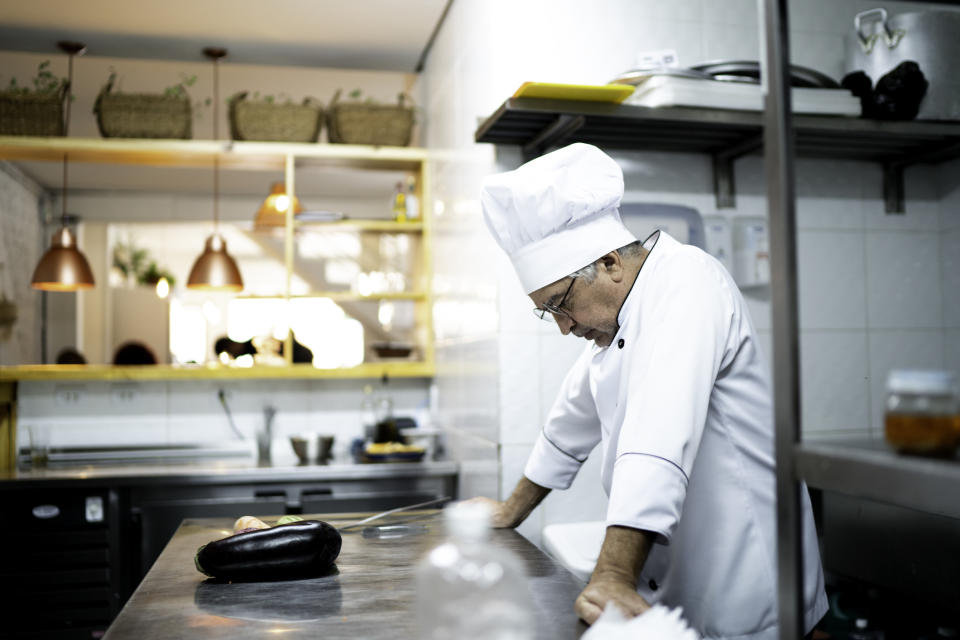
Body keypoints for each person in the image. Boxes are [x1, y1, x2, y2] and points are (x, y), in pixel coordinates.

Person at [471, 143, 827, 639]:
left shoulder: (688, 280)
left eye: (561, 304)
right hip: (686, 577)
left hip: (750, 577)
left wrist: (614, 574)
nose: (564, 327)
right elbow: (571, 417)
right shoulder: (620, 319)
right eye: (548, 312)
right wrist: (513, 509)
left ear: (611, 262)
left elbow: (658, 428)